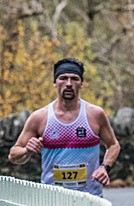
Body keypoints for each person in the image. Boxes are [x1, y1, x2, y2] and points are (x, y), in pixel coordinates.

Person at [8, 57, 120, 197]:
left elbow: (114, 145)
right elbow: (13, 155)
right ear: (55, 82)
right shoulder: (40, 117)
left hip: (90, 198)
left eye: (74, 78)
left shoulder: (95, 114)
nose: (68, 83)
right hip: (52, 200)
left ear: (81, 84)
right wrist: (27, 150)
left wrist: (104, 167)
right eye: (63, 78)